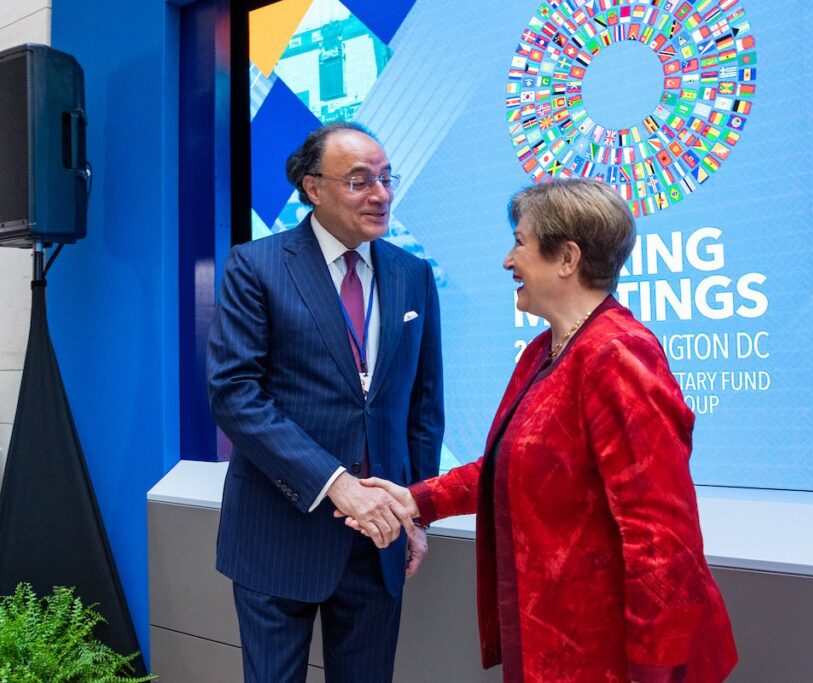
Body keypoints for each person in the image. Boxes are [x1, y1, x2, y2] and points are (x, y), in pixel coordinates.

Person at [349, 178, 737, 682]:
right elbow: (511, 465)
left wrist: (654, 670)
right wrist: (414, 500)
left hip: (612, 656)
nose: (507, 261)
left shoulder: (618, 353)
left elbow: (660, 537)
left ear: (567, 258)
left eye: (520, 243)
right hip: (556, 642)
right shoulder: (544, 351)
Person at [207, 121, 444, 682]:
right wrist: (336, 483)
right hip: (278, 531)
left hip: (378, 540)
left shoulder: (412, 274)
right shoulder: (256, 265)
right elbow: (236, 395)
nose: (381, 194)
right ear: (313, 188)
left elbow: (423, 408)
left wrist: (417, 513)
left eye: (386, 179)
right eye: (360, 181)